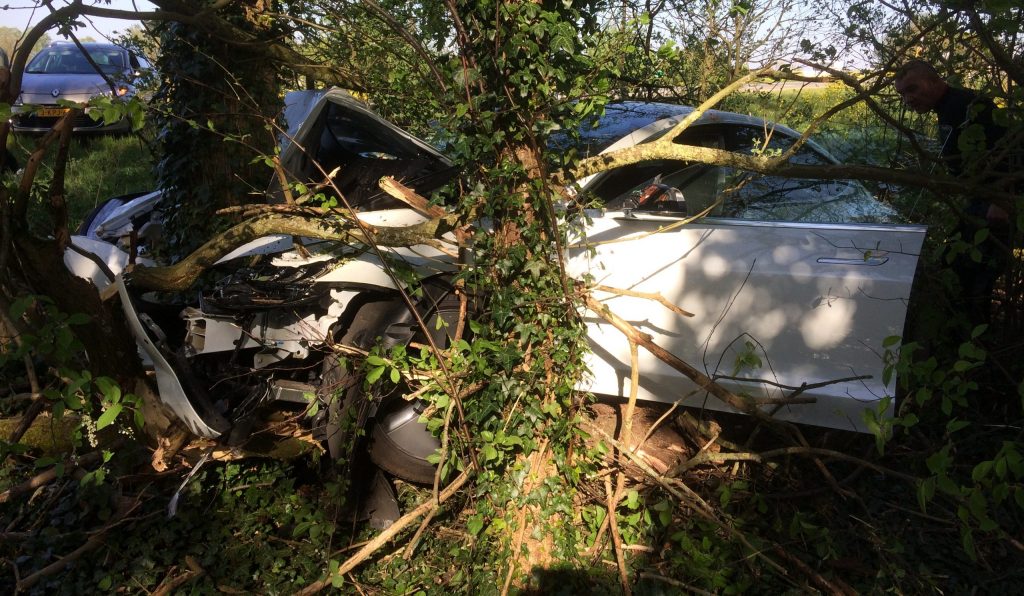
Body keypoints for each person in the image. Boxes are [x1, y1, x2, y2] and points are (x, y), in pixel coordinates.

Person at [894, 59, 1013, 326]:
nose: (908, 99)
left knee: (974, 277)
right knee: (956, 269)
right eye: (902, 94)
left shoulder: (969, 105)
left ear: (935, 81)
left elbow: (1008, 149)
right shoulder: (946, 108)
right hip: (978, 200)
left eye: (913, 89)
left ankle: (979, 346)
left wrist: (1002, 200)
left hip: (995, 204)